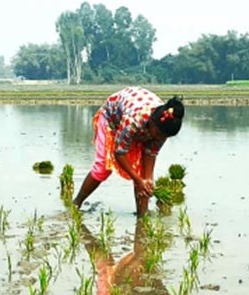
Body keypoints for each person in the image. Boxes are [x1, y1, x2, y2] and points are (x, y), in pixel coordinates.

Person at [72, 87, 184, 216]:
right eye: (159, 134)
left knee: (143, 179)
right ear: (153, 123)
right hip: (111, 119)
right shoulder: (134, 121)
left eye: (165, 137)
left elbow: (150, 153)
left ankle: (142, 217)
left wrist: (147, 180)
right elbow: (119, 152)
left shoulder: (163, 130)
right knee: (103, 168)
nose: (161, 139)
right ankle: (76, 203)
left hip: (140, 125)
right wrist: (137, 179)